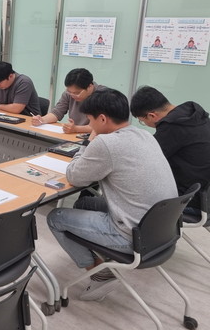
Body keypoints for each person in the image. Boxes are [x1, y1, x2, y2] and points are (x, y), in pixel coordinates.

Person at [47, 89, 177, 301]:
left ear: (102, 119)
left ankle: (100, 275)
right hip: (162, 230)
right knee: (86, 203)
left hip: (133, 236)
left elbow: (74, 176)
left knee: (56, 218)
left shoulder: (106, 143)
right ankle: (99, 254)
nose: (90, 125)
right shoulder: (145, 135)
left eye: (90, 120)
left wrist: (89, 141)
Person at [130, 86, 210, 213]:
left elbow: (143, 159)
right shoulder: (198, 117)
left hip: (188, 201)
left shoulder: (171, 127)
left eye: (142, 121)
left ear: (151, 115)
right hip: (204, 197)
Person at [32, 68, 106, 133]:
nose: (72, 95)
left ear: (90, 86)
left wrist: (76, 129)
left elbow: (103, 126)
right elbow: (57, 112)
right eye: (69, 91)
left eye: (77, 93)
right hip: (75, 134)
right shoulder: (68, 93)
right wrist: (41, 120)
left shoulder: (103, 96)